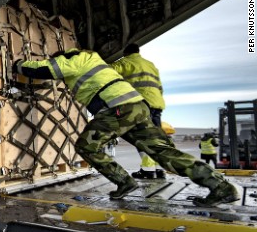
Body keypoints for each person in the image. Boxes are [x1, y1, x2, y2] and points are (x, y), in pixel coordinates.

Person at [12, 48, 239, 207]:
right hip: (137, 108)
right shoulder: (96, 62)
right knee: (164, 153)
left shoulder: (75, 59)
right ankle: (221, 187)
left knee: (86, 146)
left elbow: (44, 69)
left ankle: (124, 181)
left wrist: (18, 65)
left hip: (117, 109)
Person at [111, 43, 165, 180]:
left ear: (125, 53)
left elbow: (106, 74)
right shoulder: (150, 64)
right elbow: (159, 86)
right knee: (156, 137)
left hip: (140, 104)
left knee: (141, 137)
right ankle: (159, 169)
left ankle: (148, 170)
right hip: (156, 103)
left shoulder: (124, 62)